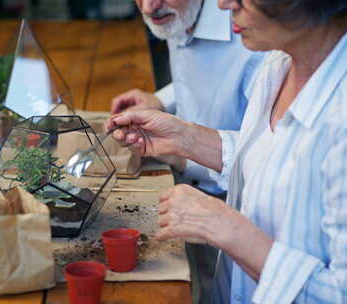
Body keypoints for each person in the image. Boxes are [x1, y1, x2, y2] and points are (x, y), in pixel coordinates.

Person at [107, 0, 347, 302]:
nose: (222, 3)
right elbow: (276, 164)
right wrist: (185, 138)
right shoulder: (281, 58)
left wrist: (223, 227)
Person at [111, 1, 264, 302]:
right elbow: (201, 75)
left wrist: (184, 154)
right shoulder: (178, 13)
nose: (148, 7)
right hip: (190, 201)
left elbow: (268, 155)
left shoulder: (254, 40)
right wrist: (162, 100)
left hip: (240, 218)